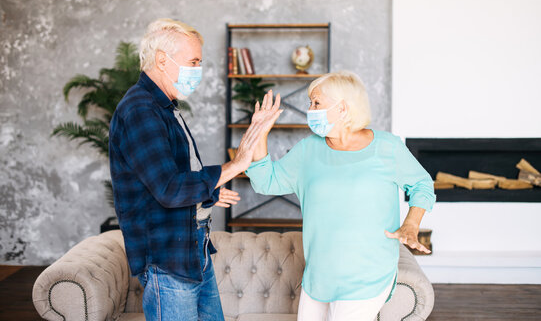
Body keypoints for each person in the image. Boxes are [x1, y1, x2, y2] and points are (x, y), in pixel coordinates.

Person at [109, 18, 280, 321]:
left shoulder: (163, 107)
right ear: (162, 60)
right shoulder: (140, 110)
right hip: (167, 260)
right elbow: (168, 189)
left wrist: (211, 191)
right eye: (194, 62)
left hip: (191, 249)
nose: (198, 71)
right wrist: (235, 164)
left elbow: (174, 179)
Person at [245, 71, 436, 321]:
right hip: (319, 274)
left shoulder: (387, 147)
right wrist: (259, 131)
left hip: (368, 272)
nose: (309, 110)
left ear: (343, 108)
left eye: (316, 103)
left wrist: (411, 223)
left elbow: (422, 184)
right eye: (310, 103)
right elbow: (265, 181)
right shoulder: (308, 150)